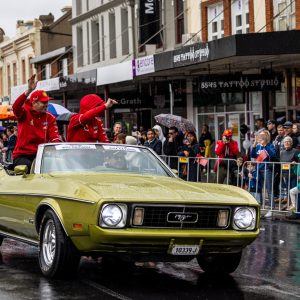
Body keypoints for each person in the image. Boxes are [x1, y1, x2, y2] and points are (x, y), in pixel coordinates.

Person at [12, 74, 61, 171]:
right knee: (32, 168)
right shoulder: (24, 113)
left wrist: (59, 152)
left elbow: (55, 137)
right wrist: (29, 91)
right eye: (43, 102)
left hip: (41, 154)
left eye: (47, 102)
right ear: (34, 103)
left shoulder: (50, 117)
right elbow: (15, 107)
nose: (46, 105)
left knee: (59, 167)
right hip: (22, 155)